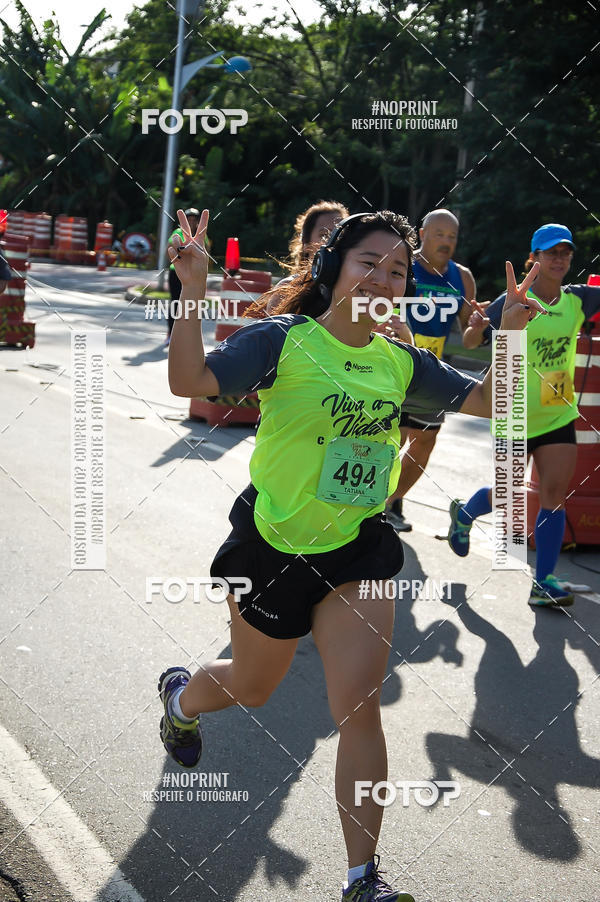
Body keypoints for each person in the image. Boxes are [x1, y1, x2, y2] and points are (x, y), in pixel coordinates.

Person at [160, 207, 542, 902]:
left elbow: (499, 405)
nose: (384, 278)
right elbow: (189, 382)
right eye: (370, 262)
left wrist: (511, 334)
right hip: (272, 545)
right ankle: (182, 699)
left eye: (397, 269)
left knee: (359, 707)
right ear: (334, 267)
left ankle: (362, 878)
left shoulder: (401, 360)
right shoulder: (283, 341)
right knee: (252, 687)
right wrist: (190, 290)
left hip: (356, 549)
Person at [447, 223, 600, 607]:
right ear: (535, 257)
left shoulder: (579, 301)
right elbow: (469, 340)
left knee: (553, 496)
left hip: (557, 416)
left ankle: (543, 582)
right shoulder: (512, 300)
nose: (559, 259)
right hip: (512, 413)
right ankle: (466, 513)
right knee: (511, 496)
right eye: (551, 252)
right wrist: (477, 327)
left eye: (565, 252)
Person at [385, 208, 477, 532]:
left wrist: (480, 327)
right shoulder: (404, 267)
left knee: (424, 442)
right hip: (394, 365)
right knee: (388, 440)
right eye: (439, 234)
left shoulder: (462, 277)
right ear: (423, 234)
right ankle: (371, 506)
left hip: (431, 373)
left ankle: (391, 502)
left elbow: (468, 337)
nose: (446, 242)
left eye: (452, 236)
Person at [262, 199, 413, 345]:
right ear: (307, 246)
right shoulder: (287, 293)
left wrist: (399, 338)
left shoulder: (375, 304)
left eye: (396, 273)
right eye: (324, 234)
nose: (331, 242)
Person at [164, 207, 201, 347]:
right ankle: (170, 334)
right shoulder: (178, 232)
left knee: (190, 305)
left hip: (193, 273)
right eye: (188, 219)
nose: (191, 222)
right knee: (175, 302)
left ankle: (185, 336)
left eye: (193, 219)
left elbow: (206, 250)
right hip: (177, 272)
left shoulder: (200, 234)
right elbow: (171, 244)